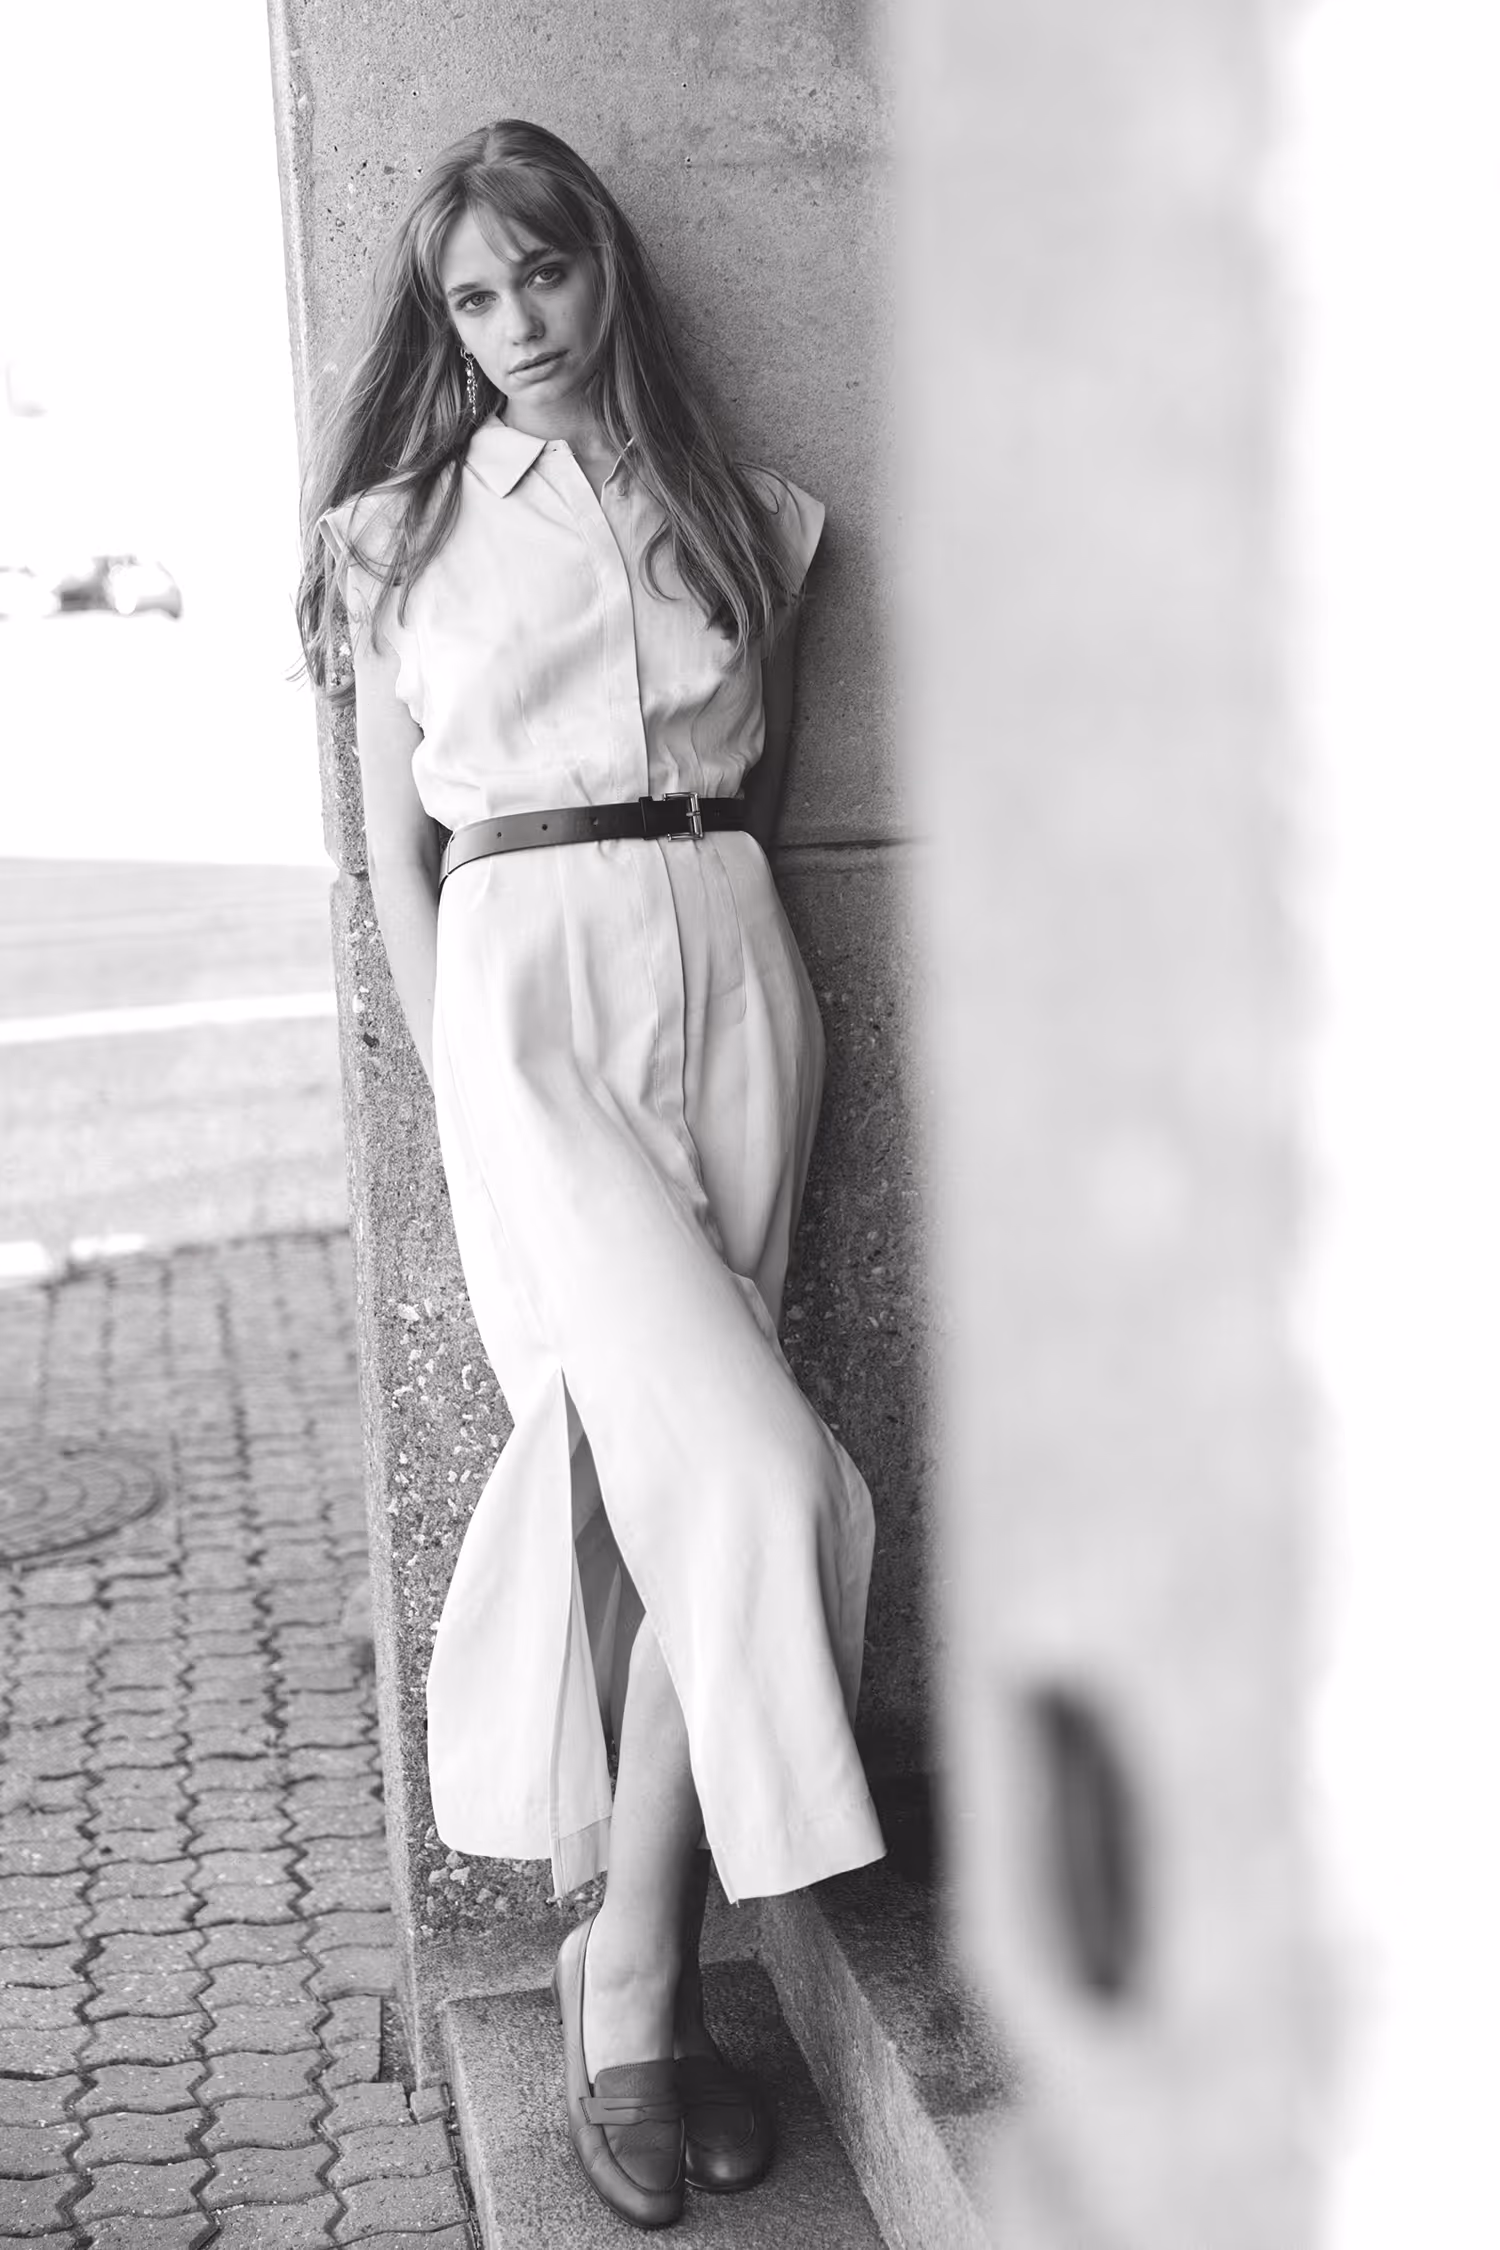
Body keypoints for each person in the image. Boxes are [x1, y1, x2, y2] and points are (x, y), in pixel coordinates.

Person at [297, 117, 886, 2230]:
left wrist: (724, 953)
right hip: (526, 1011)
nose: (516, 324)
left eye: (541, 276)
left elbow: (762, 788)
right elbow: (397, 855)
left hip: (733, 975)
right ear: (440, 324)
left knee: (656, 1500)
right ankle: (634, 1961)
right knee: (762, 1475)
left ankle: (639, 1982)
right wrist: (471, 1068)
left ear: (601, 270)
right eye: (473, 298)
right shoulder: (395, 536)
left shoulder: (751, 519)